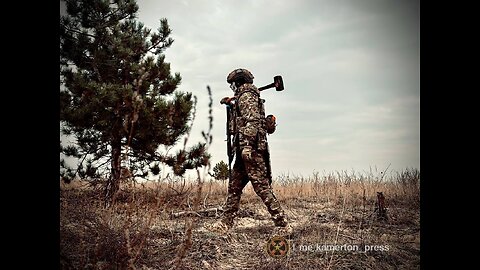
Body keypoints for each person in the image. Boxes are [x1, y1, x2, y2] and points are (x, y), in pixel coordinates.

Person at [219, 68, 288, 230]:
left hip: (251, 150)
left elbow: (252, 121)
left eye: (233, 84)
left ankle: (282, 222)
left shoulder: (247, 96)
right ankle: (225, 223)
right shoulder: (244, 96)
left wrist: (248, 147)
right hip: (244, 150)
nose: (233, 87)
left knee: (262, 187)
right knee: (234, 186)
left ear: (238, 82)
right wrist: (231, 103)